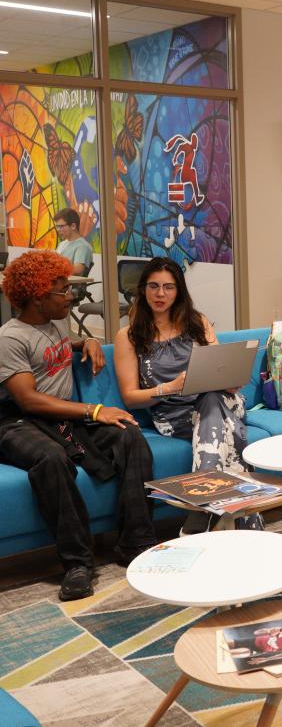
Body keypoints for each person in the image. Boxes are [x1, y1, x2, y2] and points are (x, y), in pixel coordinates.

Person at [0, 250, 156, 600]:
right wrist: (94, 409)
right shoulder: (9, 338)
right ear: (38, 296)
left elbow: (54, 347)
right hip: (18, 421)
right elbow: (27, 399)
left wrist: (85, 340)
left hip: (62, 416)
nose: (70, 296)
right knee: (52, 460)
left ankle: (136, 541)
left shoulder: (54, 322)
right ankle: (77, 562)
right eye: (61, 290)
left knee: (129, 434)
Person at [112, 257, 257, 535]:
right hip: (173, 415)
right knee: (222, 422)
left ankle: (202, 505)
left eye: (169, 287)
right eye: (153, 286)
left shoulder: (197, 322)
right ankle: (245, 522)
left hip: (221, 402)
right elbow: (130, 397)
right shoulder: (128, 336)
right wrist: (170, 387)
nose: (160, 294)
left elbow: (219, 365)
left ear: (179, 291)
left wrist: (229, 380)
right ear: (142, 290)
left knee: (212, 399)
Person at [53, 208, 93, 277]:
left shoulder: (83, 246)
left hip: (69, 286)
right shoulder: (62, 244)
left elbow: (78, 269)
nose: (58, 230)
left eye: (61, 226)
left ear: (73, 226)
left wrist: (55, 269)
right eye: (57, 227)